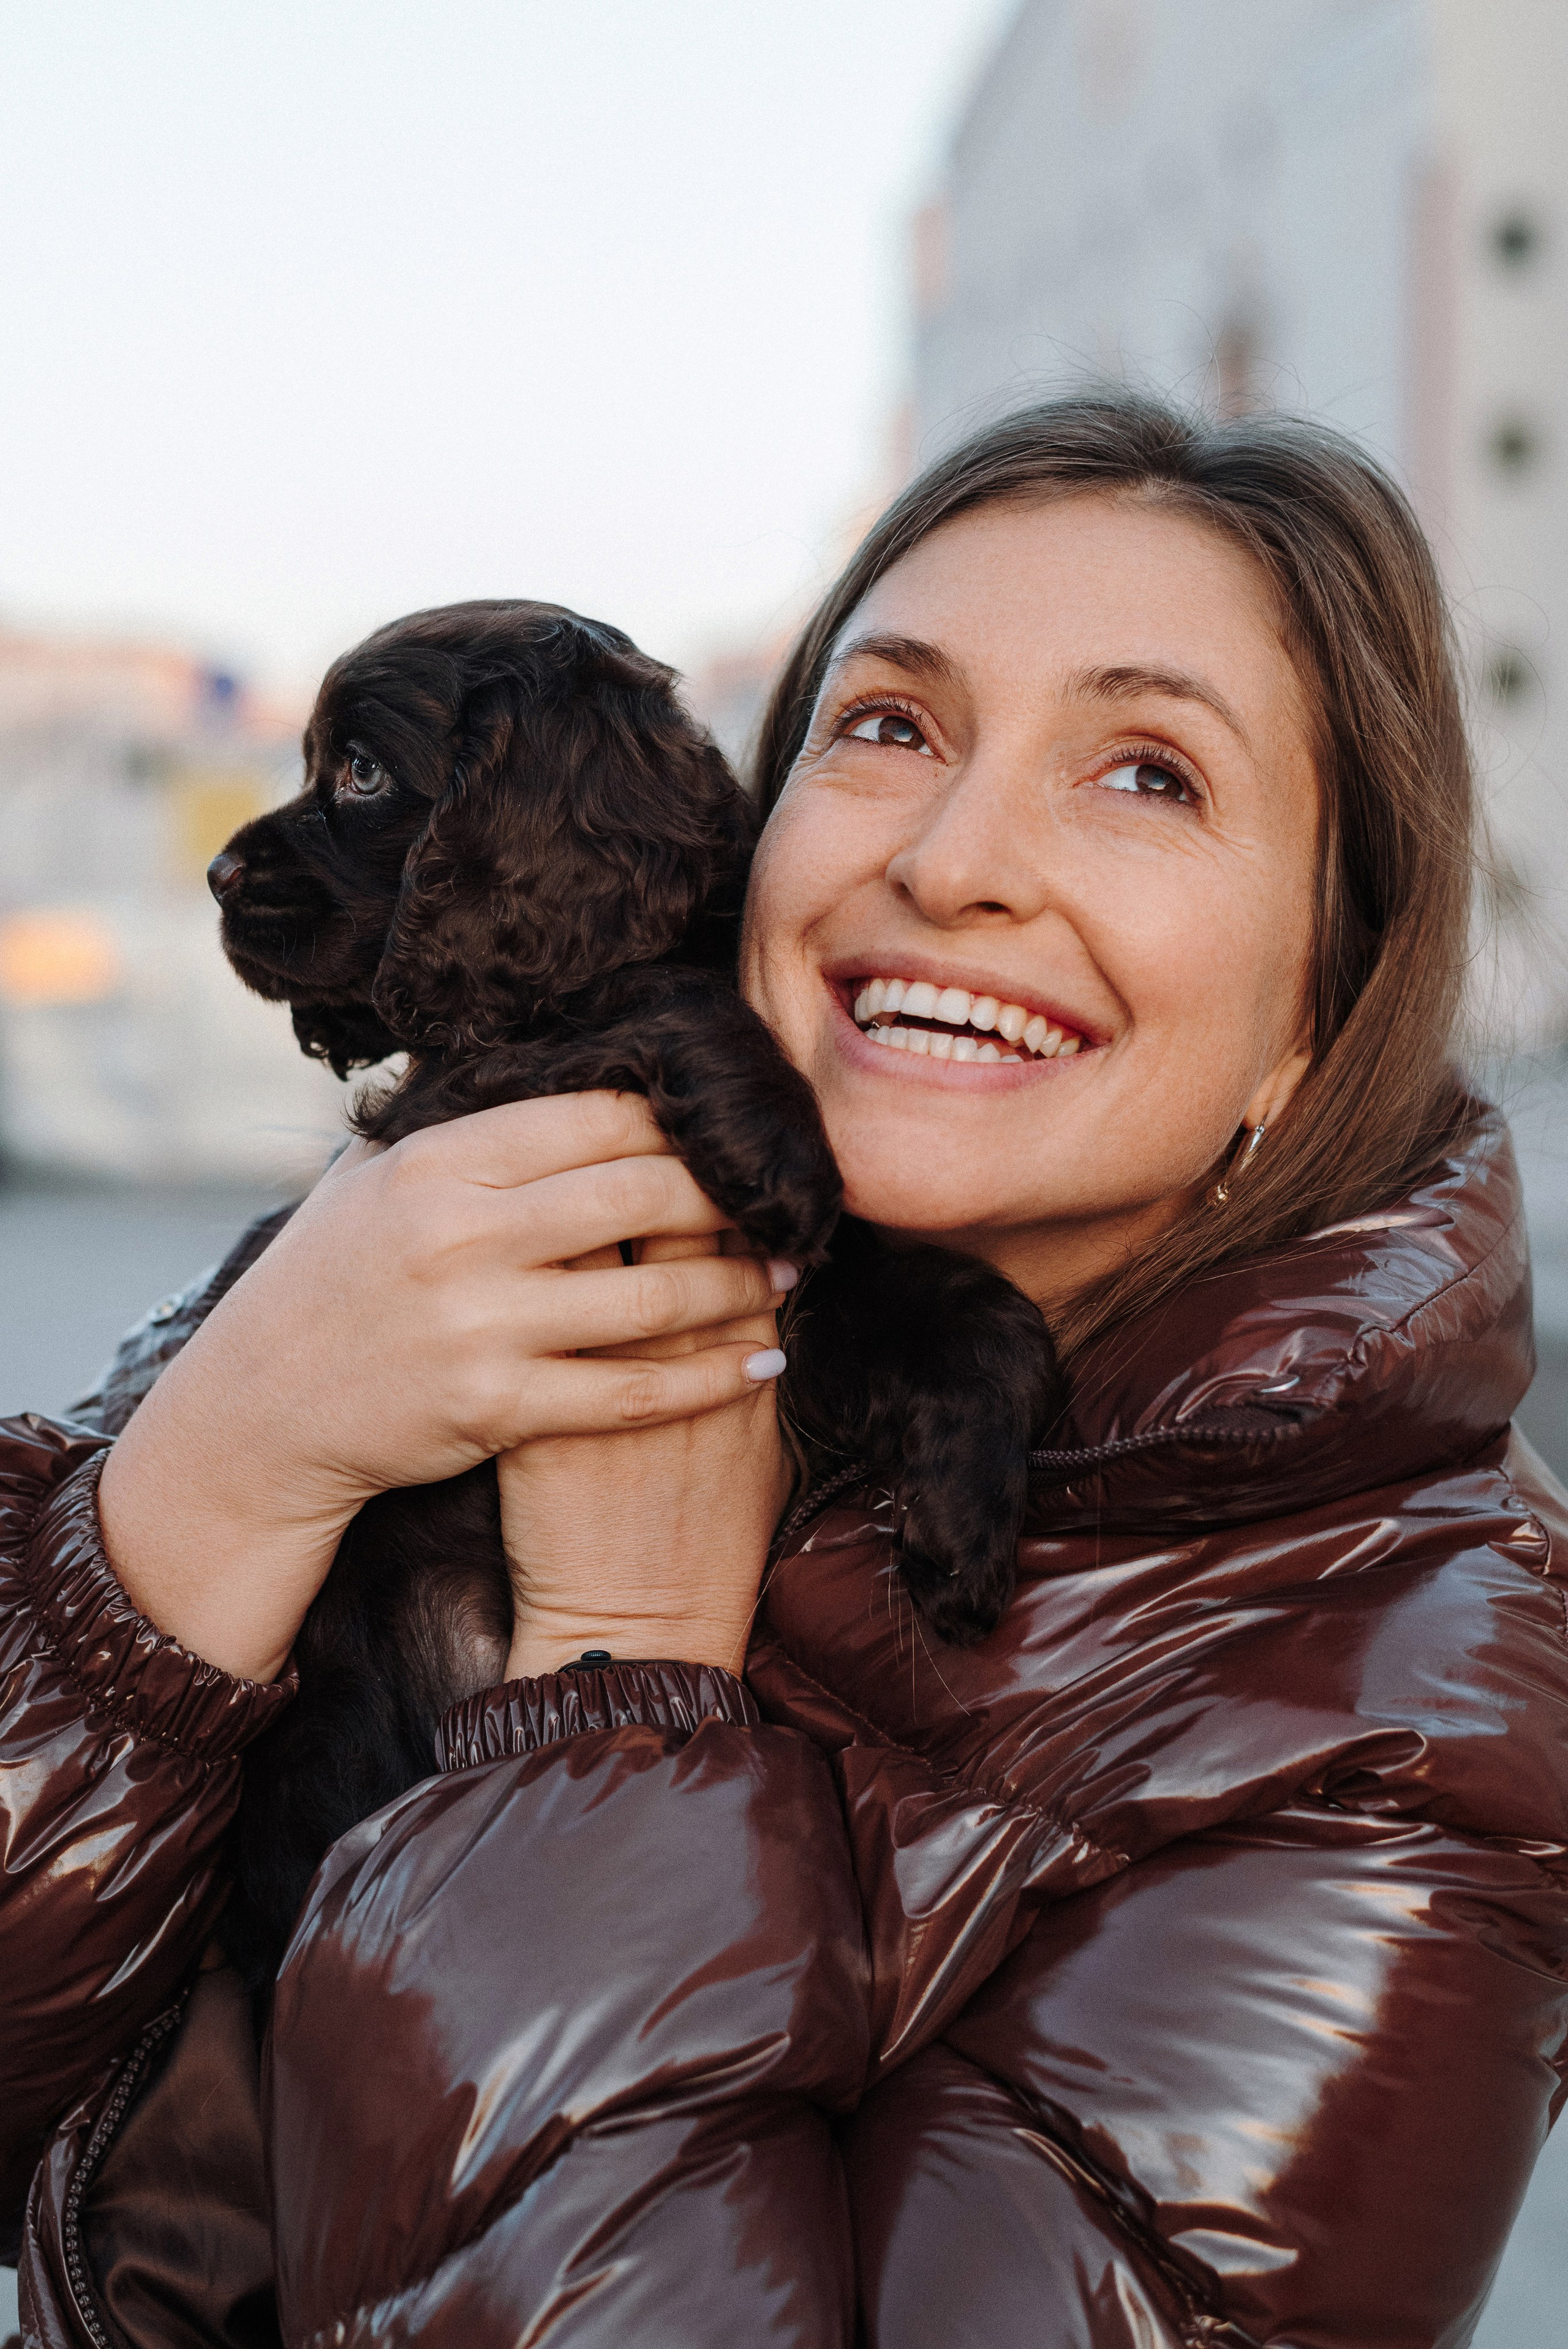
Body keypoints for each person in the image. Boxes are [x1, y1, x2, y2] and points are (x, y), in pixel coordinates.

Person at [3, 394, 1565, 2349]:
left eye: (1148, 773)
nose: (956, 856)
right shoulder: (408, 1246)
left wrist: (620, 1680)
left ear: (1312, 1026)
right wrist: (221, 1466)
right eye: (890, 725)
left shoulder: (1406, 1726)